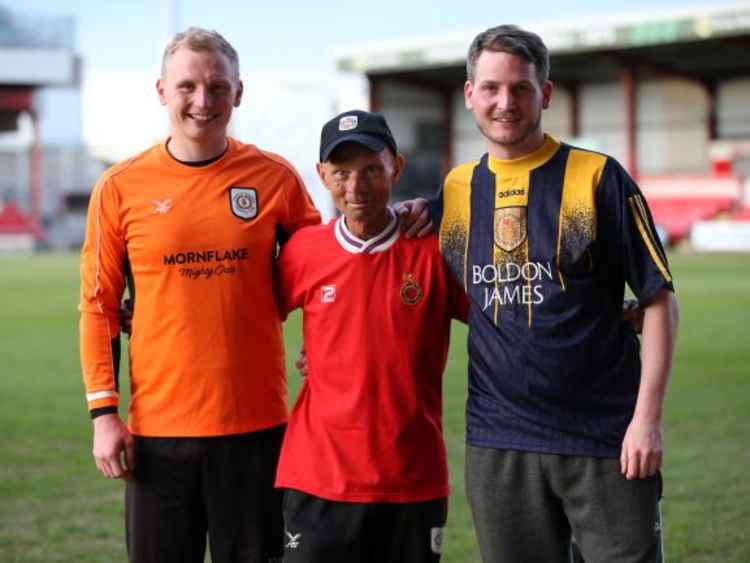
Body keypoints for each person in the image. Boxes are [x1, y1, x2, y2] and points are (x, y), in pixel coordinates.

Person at [430, 25, 680, 562]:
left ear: (545, 92)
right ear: (469, 93)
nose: (506, 103)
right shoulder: (452, 193)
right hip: (499, 443)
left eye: (521, 88)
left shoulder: (598, 178)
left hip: (606, 439)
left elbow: (659, 298)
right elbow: (408, 284)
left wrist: (647, 421)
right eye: (492, 88)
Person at [78, 27, 321, 563]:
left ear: (239, 92)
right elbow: (97, 306)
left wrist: (322, 343)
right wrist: (104, 415)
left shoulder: (274, 178)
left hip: (255, 429)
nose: (202, 101)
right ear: (161, 91)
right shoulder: (120, 187)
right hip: (158, 435)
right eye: (187, 86)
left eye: (217, 87)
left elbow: (325, 274)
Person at [273, 110, 468, 562]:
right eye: (341, 172)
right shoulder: (303, 251)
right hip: (317, 476)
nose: (355, 186)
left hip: (411, 479)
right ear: (322, 175)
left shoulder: (434, 252)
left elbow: (503, 320)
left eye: (371, 170)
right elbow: (248, 320)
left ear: (395, 168)